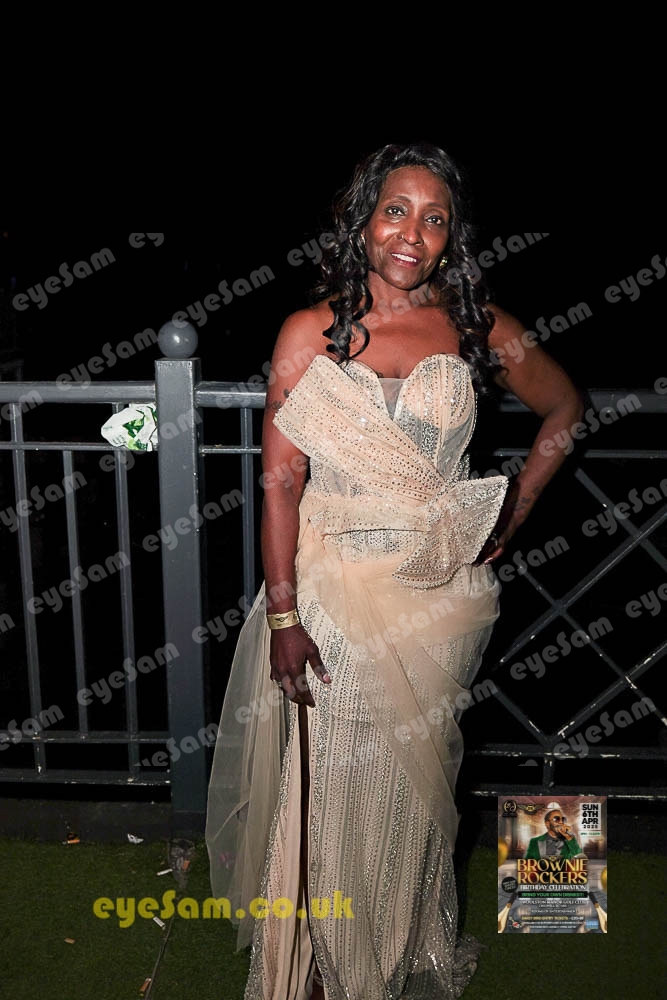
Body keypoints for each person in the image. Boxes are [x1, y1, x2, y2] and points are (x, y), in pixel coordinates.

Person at [205, 142, 585, 999]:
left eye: (434, 218)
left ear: (451, 238)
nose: (412, 233)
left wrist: (511, 511)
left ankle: (394, 944)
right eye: (395, 211)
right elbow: (281, 483)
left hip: (441, 597)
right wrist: (282, 616)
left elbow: (564, 407)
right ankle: (319, 965)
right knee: (334, 784)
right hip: (333, 592)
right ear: (362, 222)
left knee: (415, 788)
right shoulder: (308, 332)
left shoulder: (476, 325)